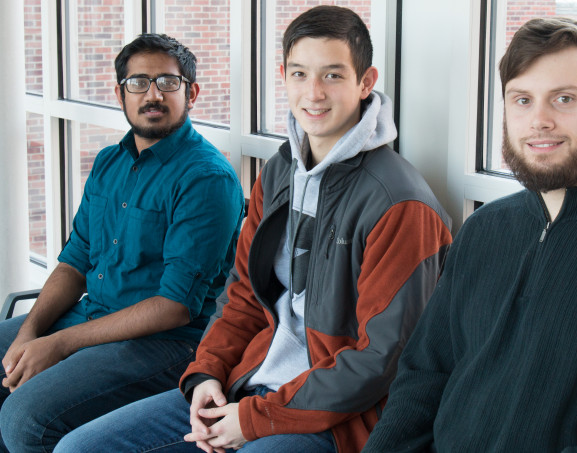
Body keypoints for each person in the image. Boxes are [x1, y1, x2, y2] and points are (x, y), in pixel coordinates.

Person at [53, 5, 453, 453]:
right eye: (300, 74)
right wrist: (206, 374)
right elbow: (241, 292)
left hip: (336, 419)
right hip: (249, 381)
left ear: (365, 82)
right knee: (80, 448)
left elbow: (381, 361)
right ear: (283, 76)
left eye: (333, 75)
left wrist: (255, 419)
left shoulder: (401, 204)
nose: (314, 93)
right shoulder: (281, 171)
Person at [363, 17, 577, 453]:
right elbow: (423, 376)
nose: (539, 120)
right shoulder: (484, 230)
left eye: (564, 99)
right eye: (522, 100)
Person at [0, 34, 244, 452]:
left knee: (26, 420)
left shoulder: (206, 178)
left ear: (192, 92)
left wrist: (56, 344)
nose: (153, 94)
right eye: (138, 83)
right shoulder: (109, 162)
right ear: (120, 93)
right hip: (92, 316)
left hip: (166, 343)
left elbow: (174, 306)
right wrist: (30, 331)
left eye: (168, 82)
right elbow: (74, 262)